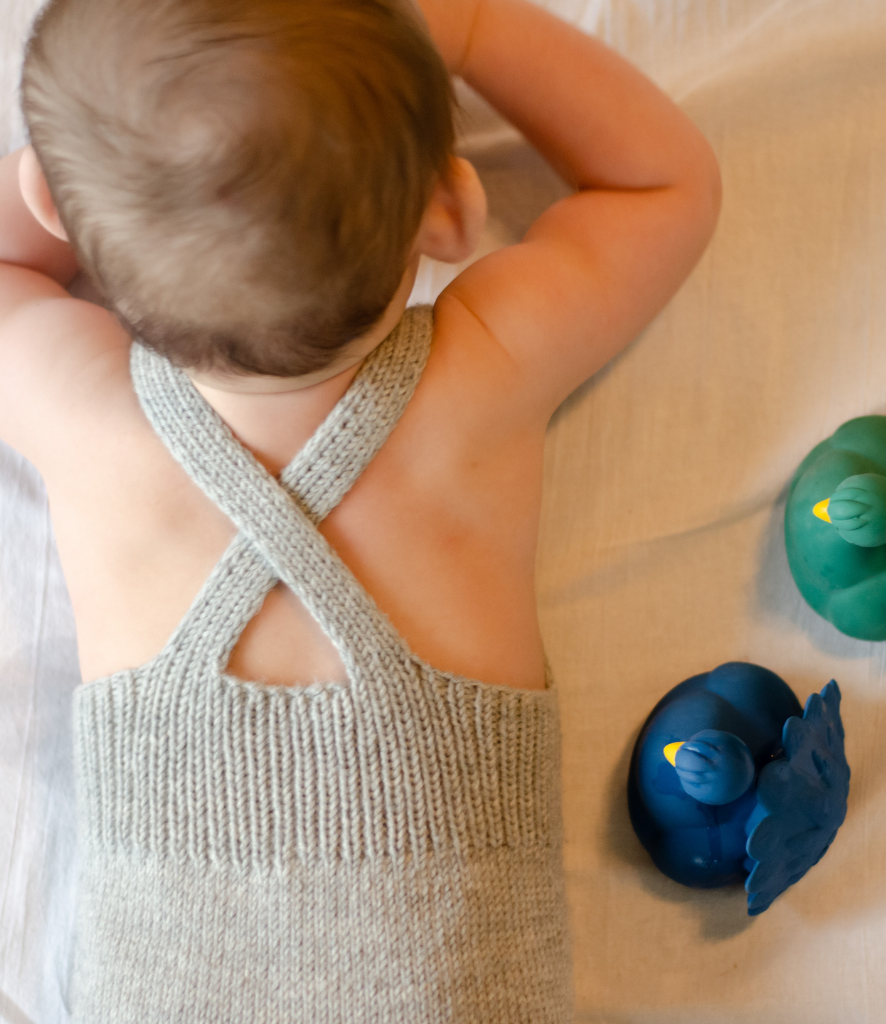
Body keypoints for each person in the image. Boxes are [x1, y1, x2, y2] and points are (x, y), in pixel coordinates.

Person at [0, 0, 720, 1019]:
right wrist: (472, 28)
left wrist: (89, 185)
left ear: (47, 201)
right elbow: (661, 184)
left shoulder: (86, 414)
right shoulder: (485, 374)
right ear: (449, 210)